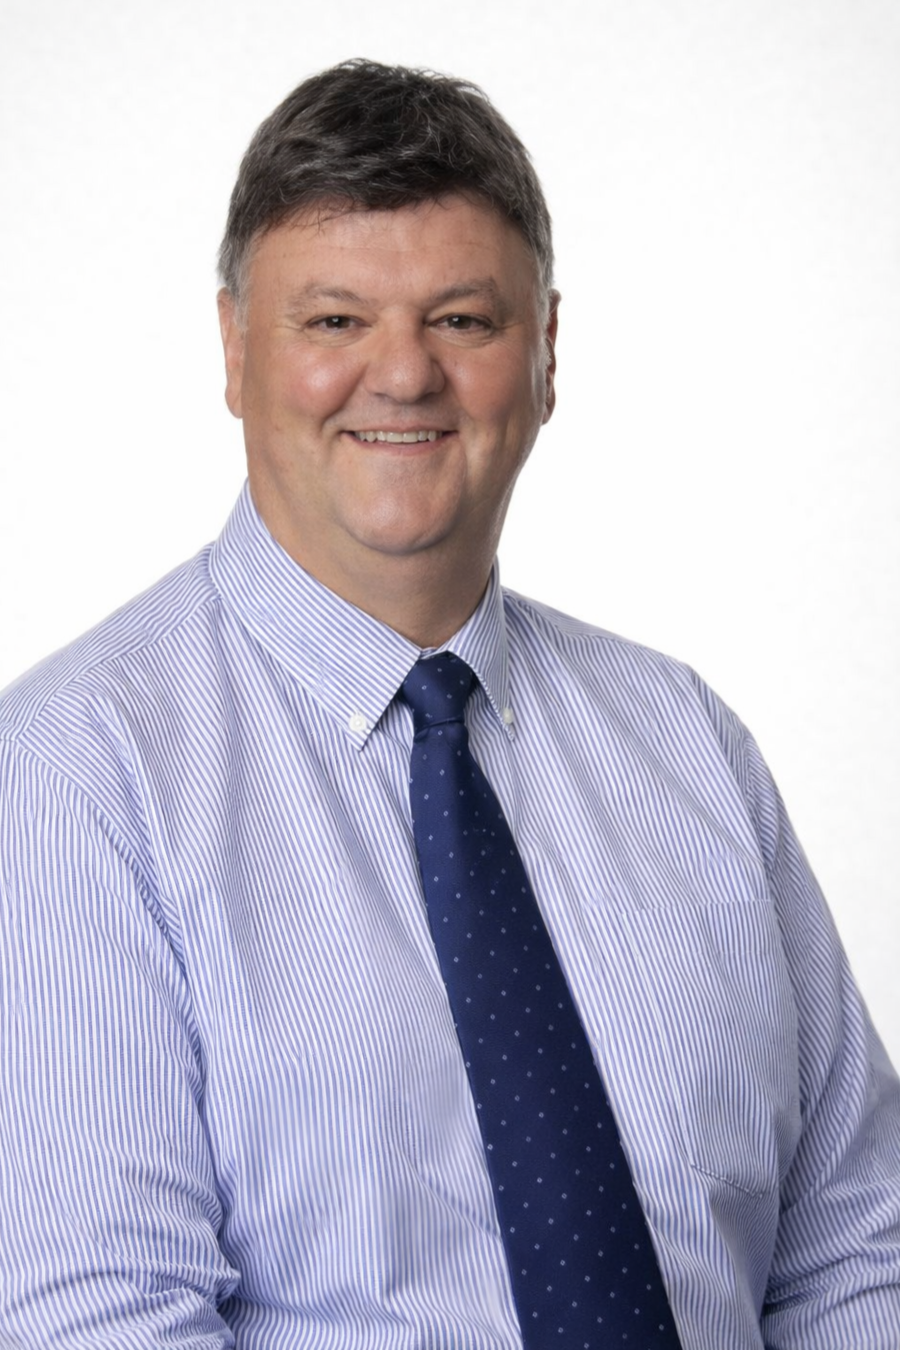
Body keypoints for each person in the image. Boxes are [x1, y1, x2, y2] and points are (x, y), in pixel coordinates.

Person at [0, 58, 898, 1350]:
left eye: (463, 319)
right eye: (334, 322)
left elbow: (858, 1248)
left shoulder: (687, 741)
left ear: (544, 354)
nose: (404, 375)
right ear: (234, 350)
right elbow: (95, 1322)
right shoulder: (74, 776)